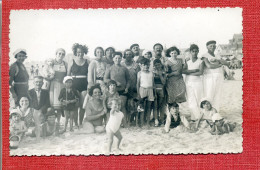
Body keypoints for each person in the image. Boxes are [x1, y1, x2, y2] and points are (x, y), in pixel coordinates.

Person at [202, 40, 230, 111]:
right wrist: (220, 64)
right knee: (209, 94)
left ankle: (215, 111)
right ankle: (207, 111)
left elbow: (227, 63)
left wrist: (217, 61)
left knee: (218, 94)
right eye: (210, 46)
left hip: (219, 76)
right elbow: (209, 66)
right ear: (207, 47)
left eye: (214, 46)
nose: (212, 47)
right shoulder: (204, 56)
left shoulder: (217, 55)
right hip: (209, 77)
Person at [104, 52, 130, 127]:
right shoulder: (110, 68)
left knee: (122, 106)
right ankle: (113, 123)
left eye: (119, 58)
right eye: (116, 58)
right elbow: (105, 79)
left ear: (121, 59)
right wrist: (114, 83)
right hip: (112, 91)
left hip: (122, 91)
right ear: (113, 59)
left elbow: (128, 80)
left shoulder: (124, 68)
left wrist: (127, 88)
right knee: (113, 106)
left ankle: (124, 123)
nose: (117, 59)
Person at [68, 43, 89, 127]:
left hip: (84, 84)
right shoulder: (71, 61)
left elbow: (89, 75)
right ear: (75, 52)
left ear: (84, 52)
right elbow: (68, 75)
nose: (80, 54)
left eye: (82, 52)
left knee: (83, 105)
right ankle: (75, 123)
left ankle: (80, 122)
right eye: (78, 52)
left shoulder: (87, 61)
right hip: (74, 84)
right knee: (76, 105)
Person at [182, 44, 204, 121]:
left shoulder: (200, 61)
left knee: (198, 98)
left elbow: (201, 72)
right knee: (191, 99)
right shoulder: (187, 61)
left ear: (198, 51)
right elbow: (183, 71)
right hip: (188, 82)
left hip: (197, 82)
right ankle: (194, 116)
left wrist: (189, 73)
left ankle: (198, 116)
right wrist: (193, 71)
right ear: (190, 52)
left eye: (196, 51)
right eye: (193, 51)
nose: (194, 53)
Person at [49, 48, 67, 127]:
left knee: (60, 106)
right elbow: (46, 72)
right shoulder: (52, 62)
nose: (61, 55)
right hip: (54, 85)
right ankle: (51, 123)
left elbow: (67, 74)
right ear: (56, 54)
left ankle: (58, 122)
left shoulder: (65, 63)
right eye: (59, 53)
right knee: (52, 105)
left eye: (63, 54)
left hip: (62, 85)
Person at [137, 58, 155, 127]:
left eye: (148, 65)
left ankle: (147, 122)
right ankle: (141, 122)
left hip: (150, 90)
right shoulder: (139, 73)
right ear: (141, 65)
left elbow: (153, 84)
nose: (146, 66)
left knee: (149, 107)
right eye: (144, 65)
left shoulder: (151, 73)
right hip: (142, 90)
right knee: (142, 107)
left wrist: (154, 93)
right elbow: (138, 84)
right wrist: (138, 93)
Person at [152, 59, 166, 126]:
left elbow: (164, 82)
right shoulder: (152, 72)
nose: (158, 66)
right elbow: (152, 82)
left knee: (161, 105)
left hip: (161, 89)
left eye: (159, 64)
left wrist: (160, 75)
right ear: (154, 65)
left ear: (161, 64)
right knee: (155, 105)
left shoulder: (163, 71)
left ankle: (162, 119)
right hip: (154, 89)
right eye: (156, 65)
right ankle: (156, 119)